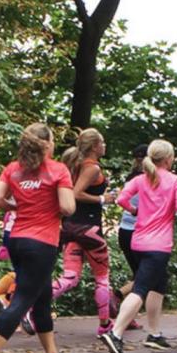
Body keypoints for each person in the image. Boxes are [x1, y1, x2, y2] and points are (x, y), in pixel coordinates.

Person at [0, 123, 76, 353]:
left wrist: (14, 205)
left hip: (17, 238)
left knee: (41, 296)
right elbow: (67, 206)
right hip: (42, 243)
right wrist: (56, 207)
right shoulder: (58, 170)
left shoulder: (13, 169)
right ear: (48, 145)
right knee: (22, 299)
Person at [101, 139, 177, 353]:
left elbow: (121, 199)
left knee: (158, 285)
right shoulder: (176, 181)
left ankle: (154, 333)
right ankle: (116, 333)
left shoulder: (140, 180)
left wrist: (134, 210)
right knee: (140, 288)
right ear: (169, 159)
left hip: (138, 241)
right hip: (158, 244)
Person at [50, 128, 116, 337]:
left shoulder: (75, 164)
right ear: (95, 147)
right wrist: (102, 199)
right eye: (102, 143)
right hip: (89, 229)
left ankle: (32, 308)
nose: (105, 146)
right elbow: (76, 193)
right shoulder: (92, 168)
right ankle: (105, 324)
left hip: (71, 227)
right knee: (102, 277)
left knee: (70, 276)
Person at [111, 144, 150, 330]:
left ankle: (127, 316)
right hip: (139, 232)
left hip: (124, 231)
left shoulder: (131, 178)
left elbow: (121, 199)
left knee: (138, 274)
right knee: (145, 276)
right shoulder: (146, 179)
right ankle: (117, 295)